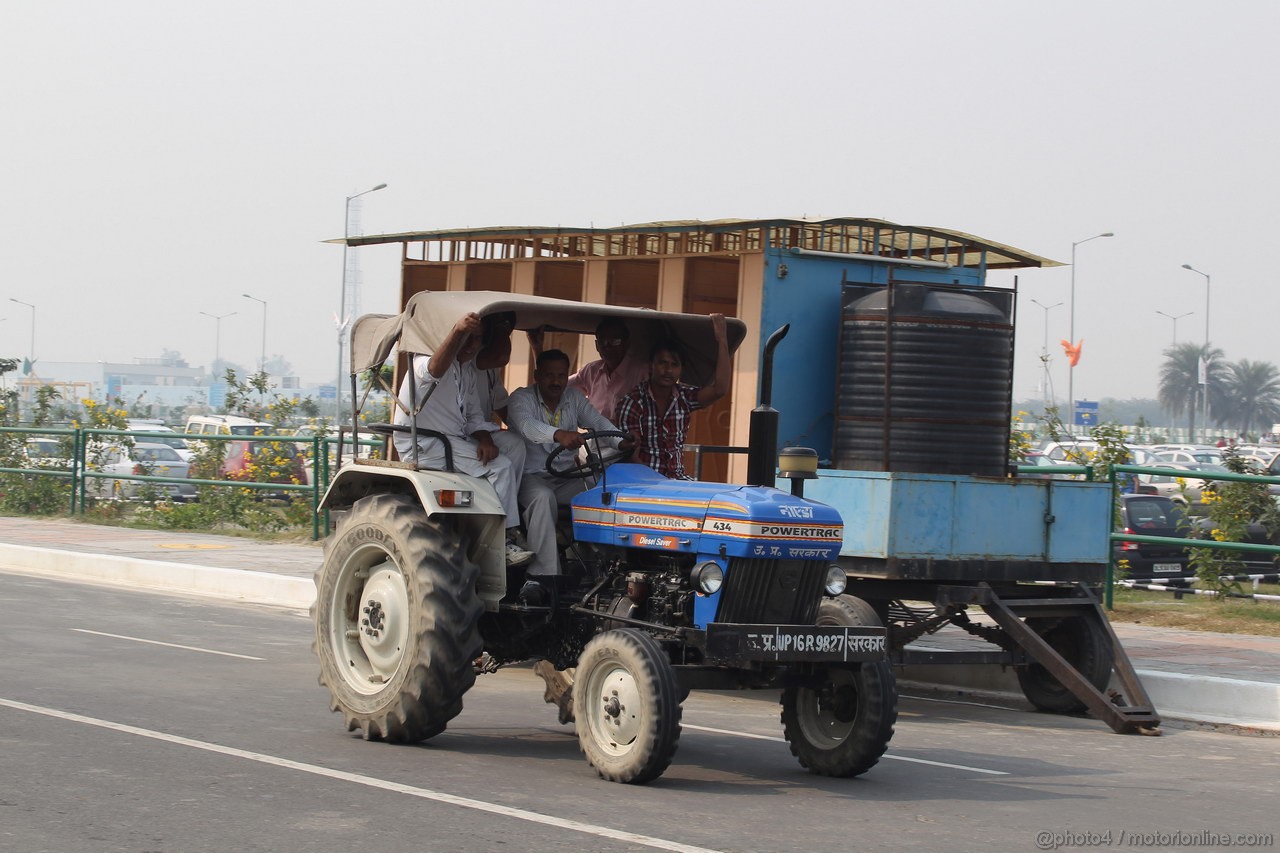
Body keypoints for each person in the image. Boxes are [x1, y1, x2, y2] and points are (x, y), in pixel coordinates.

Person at [391, 311, 533, 567]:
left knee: (514, 446)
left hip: (454, 439)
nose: (470, 346)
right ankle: (503, 540)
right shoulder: (424, 362)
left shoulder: (466, 371)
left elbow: (473, 417)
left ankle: (501, 513)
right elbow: (435, 370)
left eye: (475, 339)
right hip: (427, 443)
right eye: (464, 339)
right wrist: (457, 330)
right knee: (501, 468)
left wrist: (485, 440)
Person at [507, 348, 634, 603]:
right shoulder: (521, 398)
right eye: (549, 375)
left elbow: (598, 423)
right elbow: (527, 426)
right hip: (530, 477)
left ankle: (605, 568)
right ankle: (541, 578)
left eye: (561, 375)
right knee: (542, 498)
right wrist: (558, 434)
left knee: (599, 494)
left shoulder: (574, 398)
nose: (556, 381)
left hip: (565, 476)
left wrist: (621, 442)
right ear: (537, 375)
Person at [616, 314, 729, 480]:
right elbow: (632, 458)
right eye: (662, 363)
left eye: (674, 364)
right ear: (651, 366)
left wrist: (722, 340)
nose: (668, 370)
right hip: (642, 482)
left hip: (678, 480)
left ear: (681, 369)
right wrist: (661, 486)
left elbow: (720, 389)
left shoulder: (684, 397)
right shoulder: (633, 402)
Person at [564, 318, 651, 420]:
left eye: (615, 341)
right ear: (597, 345)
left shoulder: (643, 373)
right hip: (594, 434)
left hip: (629, 434)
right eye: (602, 341)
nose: (608, 347)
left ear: (627, 344)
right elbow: (562, 387)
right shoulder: (591, 371)